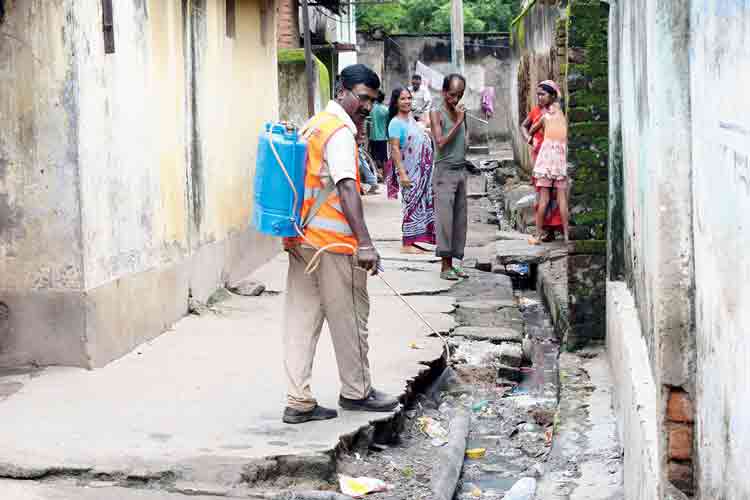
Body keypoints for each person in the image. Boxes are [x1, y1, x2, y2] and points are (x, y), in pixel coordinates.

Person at [281, 64, 398, 425]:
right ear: (341, 91)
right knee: (350, 317)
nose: (366, 106)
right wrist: (365, 244)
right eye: (361, 97)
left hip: (302, 239)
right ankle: (357, 391)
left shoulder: (313, 125)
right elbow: (347, 186)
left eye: (372, 100)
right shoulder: (340, 133)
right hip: (332, 244)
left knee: (300, 320)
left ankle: (298, 400)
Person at [385, 86, 436, 254]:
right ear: (396, 102)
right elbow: (395, 150)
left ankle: (414, 240)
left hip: (422, 172)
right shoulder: (395, 123)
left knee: (421, 205)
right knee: (411, 205)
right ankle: (406, 244)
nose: (407, 102)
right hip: (409, 171)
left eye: (408, 98)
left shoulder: (411, 120)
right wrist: (402, 174)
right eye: (403, 99)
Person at [430, 74, 469, 281]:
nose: (456, 99)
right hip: (444, 171)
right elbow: (440, 142)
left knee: (460, 220)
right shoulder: (437, 112)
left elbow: (464, 140)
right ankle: (445, 267)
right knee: (445, 219)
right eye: (453, 94)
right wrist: (458, 122)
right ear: (444, 92)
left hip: (460, 170)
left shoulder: (460, 112)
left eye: (460, 95)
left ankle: (456, 263)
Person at [527, 80, 569, 244]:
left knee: (543, 200)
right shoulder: (564, 116)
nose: (539, 98)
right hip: (559, 161)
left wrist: (536, 138)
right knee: (562, 199)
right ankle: (566, 236)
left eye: (542, 94)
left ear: (551, 97)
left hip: (545, 161)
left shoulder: (544, 117)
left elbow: (530, 131)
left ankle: (537, 235)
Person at [368, 91, 389, 176]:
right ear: (383, 99)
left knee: (373, 157)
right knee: (384, 158)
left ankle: (376, 175)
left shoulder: (371, 108)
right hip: (383, 138)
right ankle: (385, 176)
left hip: (372, 137)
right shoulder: (386, 110)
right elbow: (388, 123)